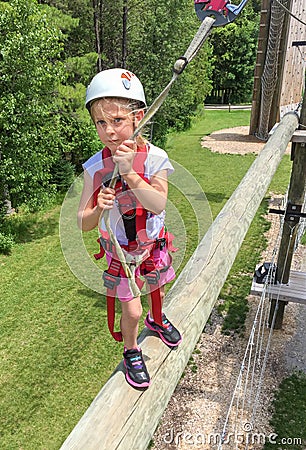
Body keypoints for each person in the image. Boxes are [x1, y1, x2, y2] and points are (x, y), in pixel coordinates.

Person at [78, 68, 182, 389]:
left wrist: (130, 173)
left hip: (152, 243)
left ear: (138, 117)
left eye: (118, 121)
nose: (109, 131)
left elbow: (158, 203)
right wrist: (99, 206)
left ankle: (158, 316)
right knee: (132, 311)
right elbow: (84, 222)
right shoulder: (96, 168)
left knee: (157, 288)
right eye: (101, 123)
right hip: (122, 253)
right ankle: (131, 349)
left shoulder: (154, 158)